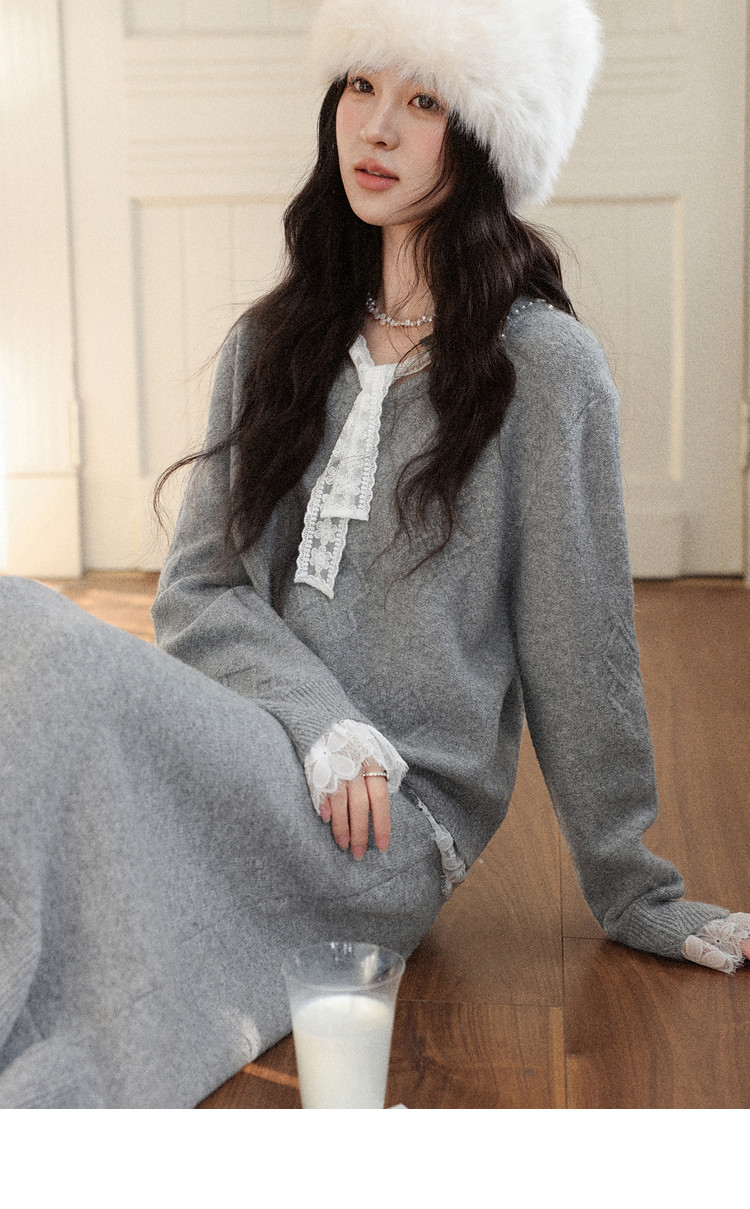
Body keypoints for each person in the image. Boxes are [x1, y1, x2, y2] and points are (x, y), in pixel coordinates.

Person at [0, 0, 747, 1110]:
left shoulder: (548, 372)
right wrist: (320, 723)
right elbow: (200, 590)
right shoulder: (277, 341)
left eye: (425, 99)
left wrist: (633, 885)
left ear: (484, 136)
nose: (377, 127)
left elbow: (580, 648)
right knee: (17, 629)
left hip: (390, 827)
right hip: (262, 752)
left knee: (47, 656)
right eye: (361, 86)